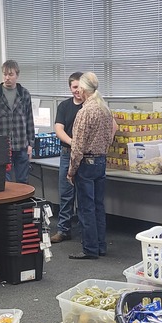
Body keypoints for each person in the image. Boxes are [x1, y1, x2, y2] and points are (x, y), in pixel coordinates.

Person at [66, 72, 113, 260]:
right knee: (99, 206)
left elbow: (77, 147)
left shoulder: (84, 112)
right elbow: (109, 138)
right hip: (101, 161)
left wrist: (71, 170)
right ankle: (101, 246)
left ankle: (90, 249)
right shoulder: (105, 110)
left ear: (84, 89)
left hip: (86, 164)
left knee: (86, 209)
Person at [0, 59, 34, 183]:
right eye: (5, 74)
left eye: (10, 74)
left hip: (21, 144)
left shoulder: (24, 94)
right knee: (4, 182)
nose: (7, 78)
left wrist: (30, 144)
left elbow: (29, 120)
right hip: (2, 146)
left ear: (17, 75)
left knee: (23, 182)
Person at [51, 72, 84, 243]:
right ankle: (63, 230)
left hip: (86, 156)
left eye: (80, 87)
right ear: (70, 88)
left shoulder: (91, 106)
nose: (77, 90)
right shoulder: (64, 106)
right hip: (67, 154)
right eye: (74, 87)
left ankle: (86, 232)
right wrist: (73, 142)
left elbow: (112, 125)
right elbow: (59, 129)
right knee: (66, 193)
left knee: (85, 195)